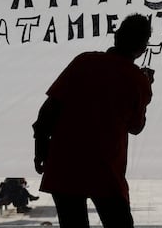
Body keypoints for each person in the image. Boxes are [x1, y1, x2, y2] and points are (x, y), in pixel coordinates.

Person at [32, 13, 154, 228]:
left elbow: (48, 111)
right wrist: (146, 89)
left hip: (64, 167)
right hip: (105, 172)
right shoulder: (137, 80)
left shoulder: (84, 61)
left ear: (116, 37)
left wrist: (40, 150)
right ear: (142, 48)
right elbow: (136, 127)